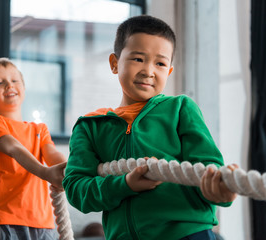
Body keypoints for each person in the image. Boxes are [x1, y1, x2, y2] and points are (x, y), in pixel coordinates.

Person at [63, 15, 237, 240]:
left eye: (160, 63)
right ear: (114, 63)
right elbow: (77, 190)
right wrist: (125, 184)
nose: (148, 71)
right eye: (138, 59)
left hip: (189, 234)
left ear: (169, 72)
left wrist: (222, 190)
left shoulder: (180, 109)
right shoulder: (90, 126)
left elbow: (208, 169)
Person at [0, 58, 67, 239]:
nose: (9, 85)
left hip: (42, 222)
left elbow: (52, 155)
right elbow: (13, 147)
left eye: (15, 80)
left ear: (23, 88)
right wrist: (46, 173)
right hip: (3, 220)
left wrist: (73, 168)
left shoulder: (39, 129)